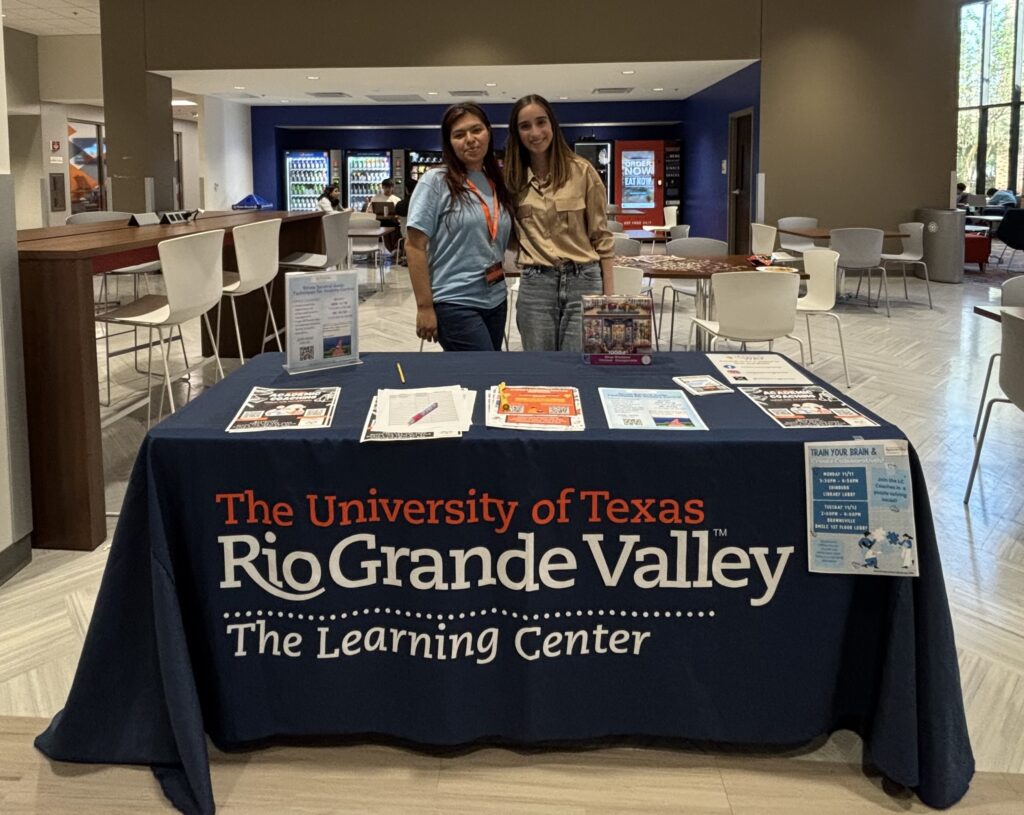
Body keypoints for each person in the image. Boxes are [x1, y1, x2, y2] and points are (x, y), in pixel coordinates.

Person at [505, 94, 614, 352]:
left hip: (584, 281)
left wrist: (609, 298)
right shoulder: (511, 180)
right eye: (525, 126)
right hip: (536, 286)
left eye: (541, 122)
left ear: (552, 125)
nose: (535, 132)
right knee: (540, 369)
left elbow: (603, 238)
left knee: (578, 366)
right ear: (517, 133)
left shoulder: (582, 171)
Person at [406, 103, 513, 351]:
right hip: (454, 301)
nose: (470, 140)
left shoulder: (495, 181)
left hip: (496, 298)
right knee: (483, 372)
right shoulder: (435, 182)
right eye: (459, 134)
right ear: (449, 142)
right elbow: (414, 246)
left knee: (486, 378)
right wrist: (424, 307)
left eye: (476, 130)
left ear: (488, 132)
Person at [370, 178, 402, 252]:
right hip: (379, 221)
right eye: (386, 187)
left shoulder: (396, 200)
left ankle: (395, 249)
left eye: (390, 187)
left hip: (392, 221)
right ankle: (392, 249)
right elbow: (371, 211)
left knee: (395, 228)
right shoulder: (375, 198)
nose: (388, 189)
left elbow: (399, 214)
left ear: (392, 188)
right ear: (383, 187)